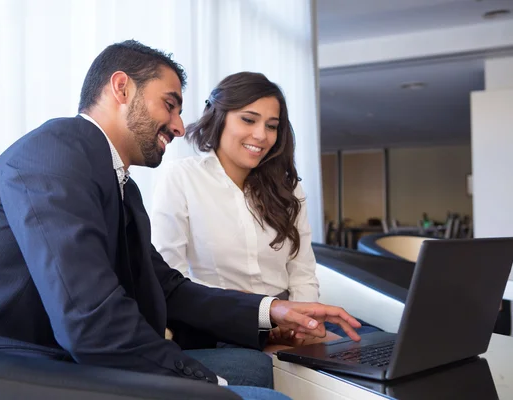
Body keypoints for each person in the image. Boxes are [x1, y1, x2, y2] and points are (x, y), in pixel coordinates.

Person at [0, 41, 361, 400]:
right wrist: (206, 385)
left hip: (55, 351)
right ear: (121, 88)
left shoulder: (119, 184)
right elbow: (90, 319)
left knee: (252, 365)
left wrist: (272, 310)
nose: (179, 124)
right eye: (169, 105)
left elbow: (167, 288)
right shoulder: (54, 153)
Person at [151, 72, 378, 350]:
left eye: (272, 126)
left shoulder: (287, 188)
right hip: (223, 323)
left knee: (373, 345)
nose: (261, 135)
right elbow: (170, 277)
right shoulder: (181, 177)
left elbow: (302, 271)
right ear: (219, 117)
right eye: (248, 119)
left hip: (291, 320)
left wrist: (300, 323)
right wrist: (263, 313)